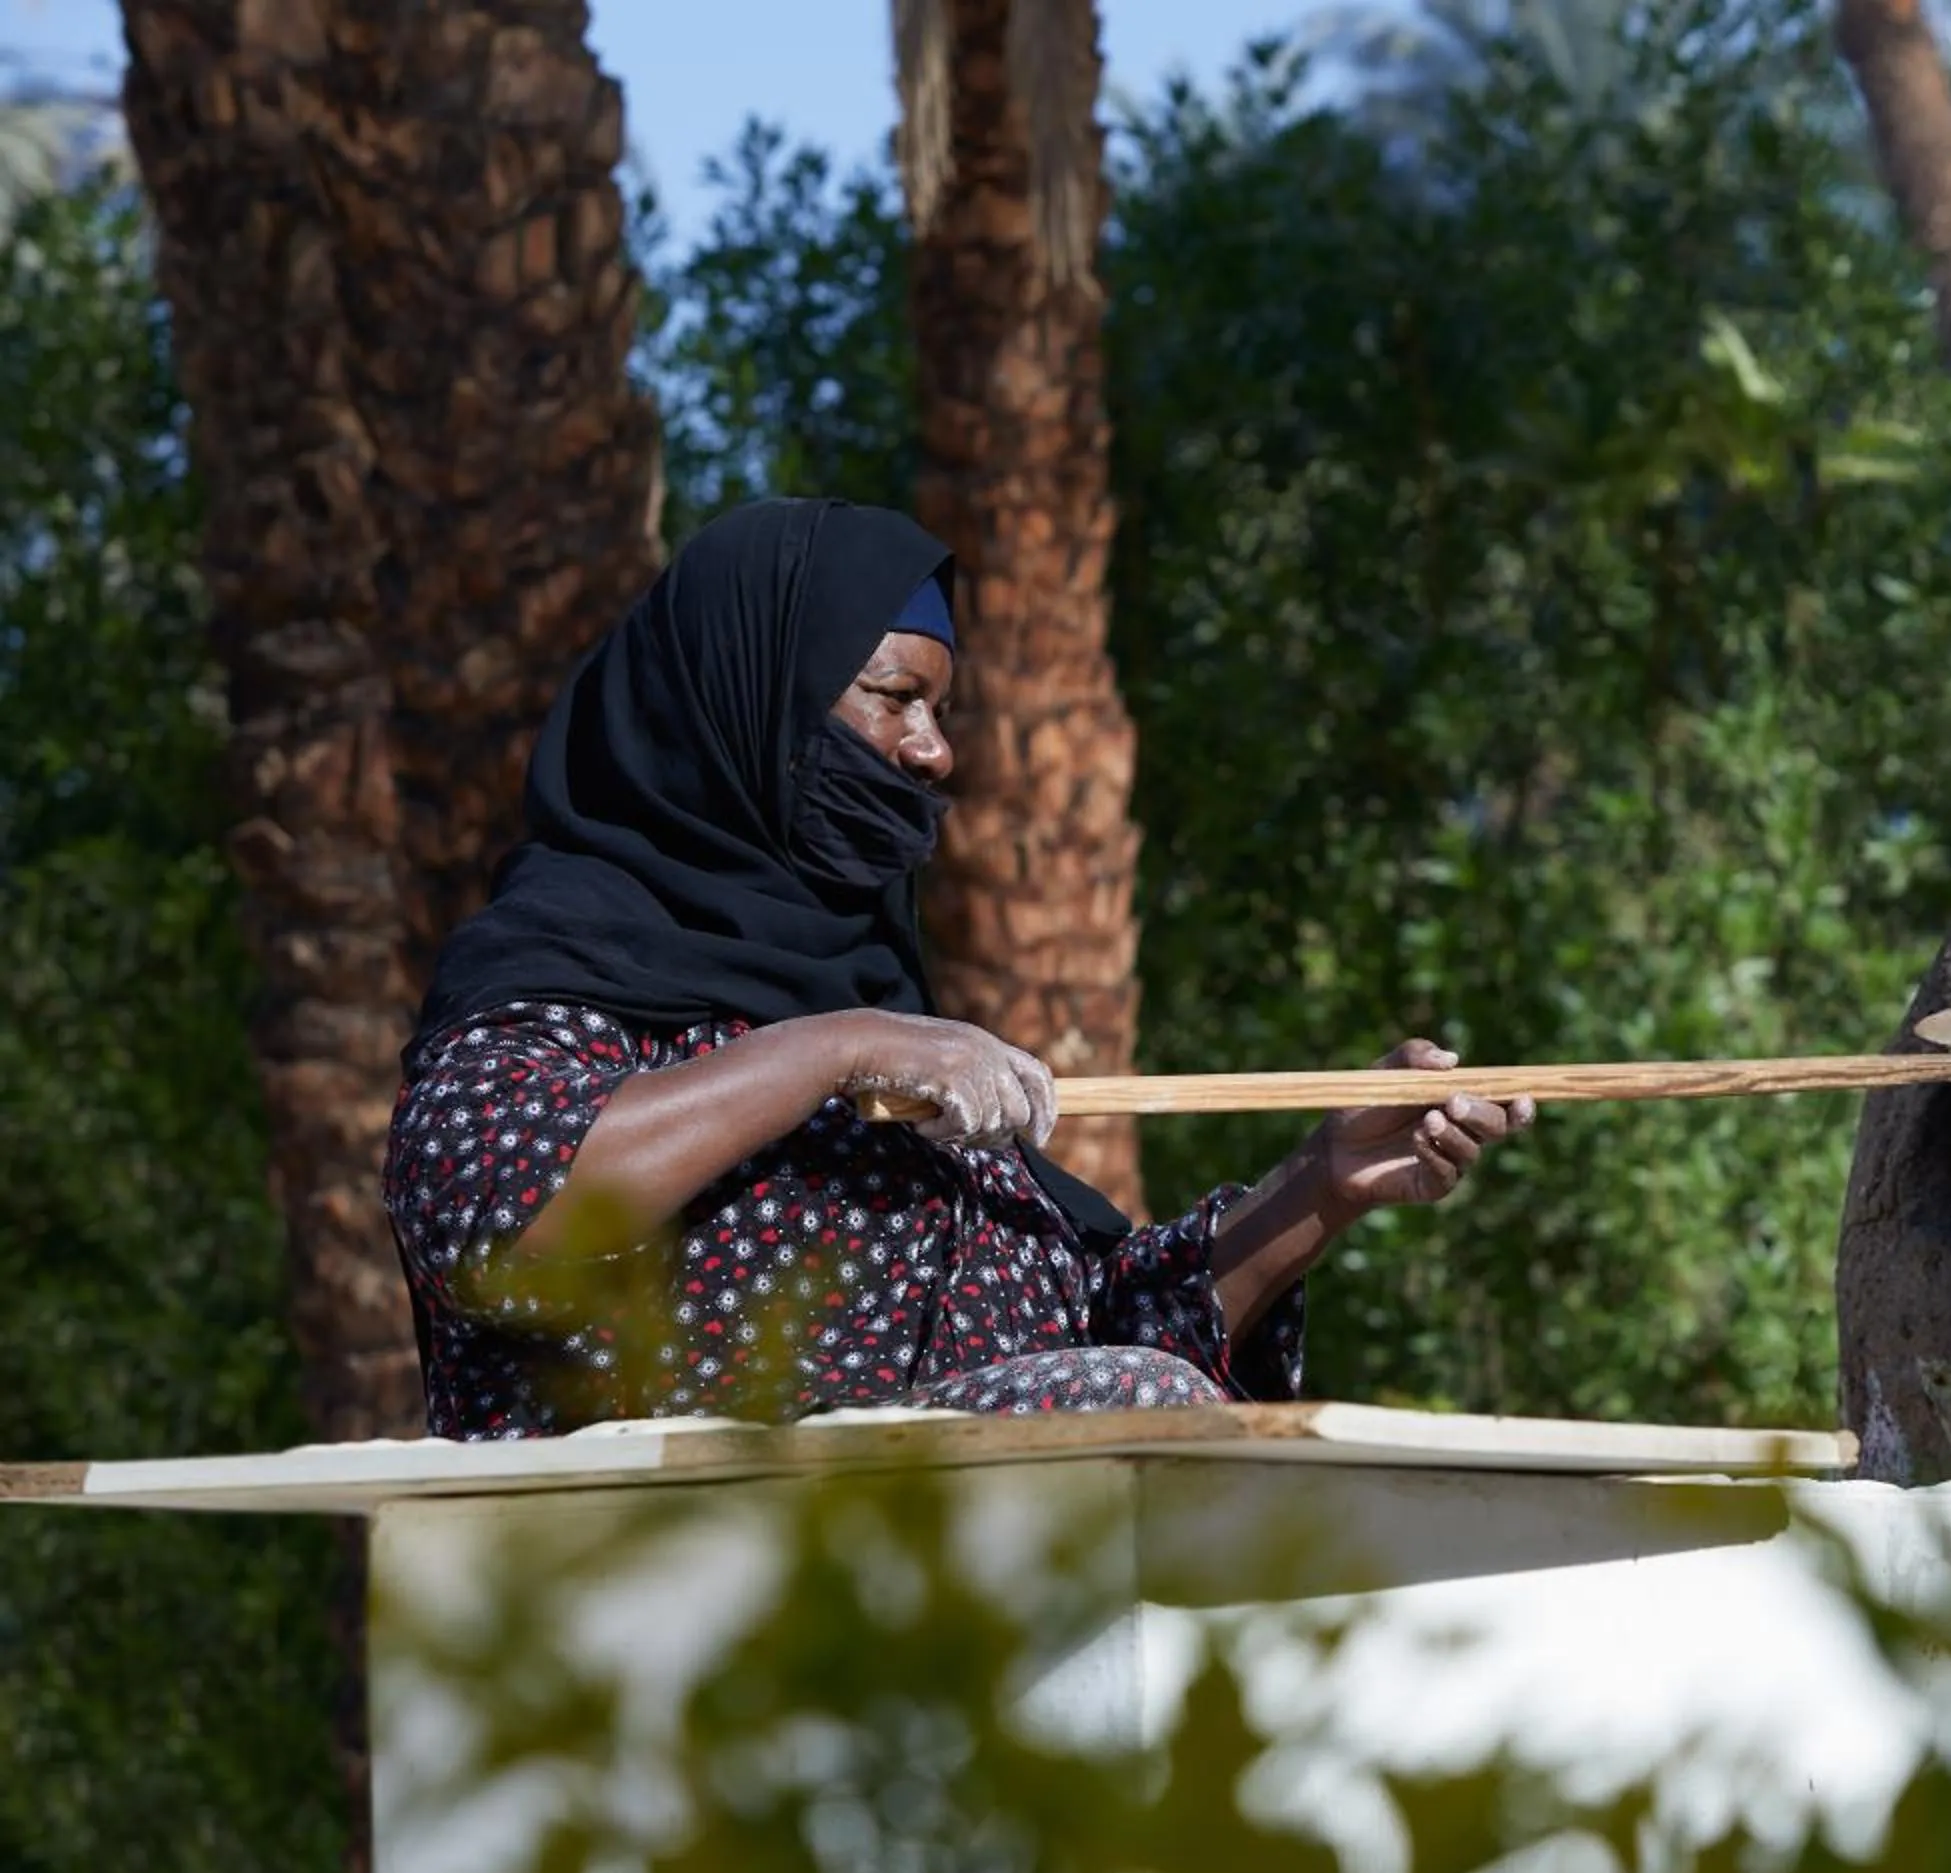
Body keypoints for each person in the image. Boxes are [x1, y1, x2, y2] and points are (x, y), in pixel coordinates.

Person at [383, 498, 1534, 1441]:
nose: (935, 751)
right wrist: (834, 1049)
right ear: (750, 702)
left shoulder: (897, 1021)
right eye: (896, 699)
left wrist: (1326, 1179)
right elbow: (498, 1220)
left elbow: (1108, 1341)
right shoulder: (567, 981)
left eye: (942, 710)